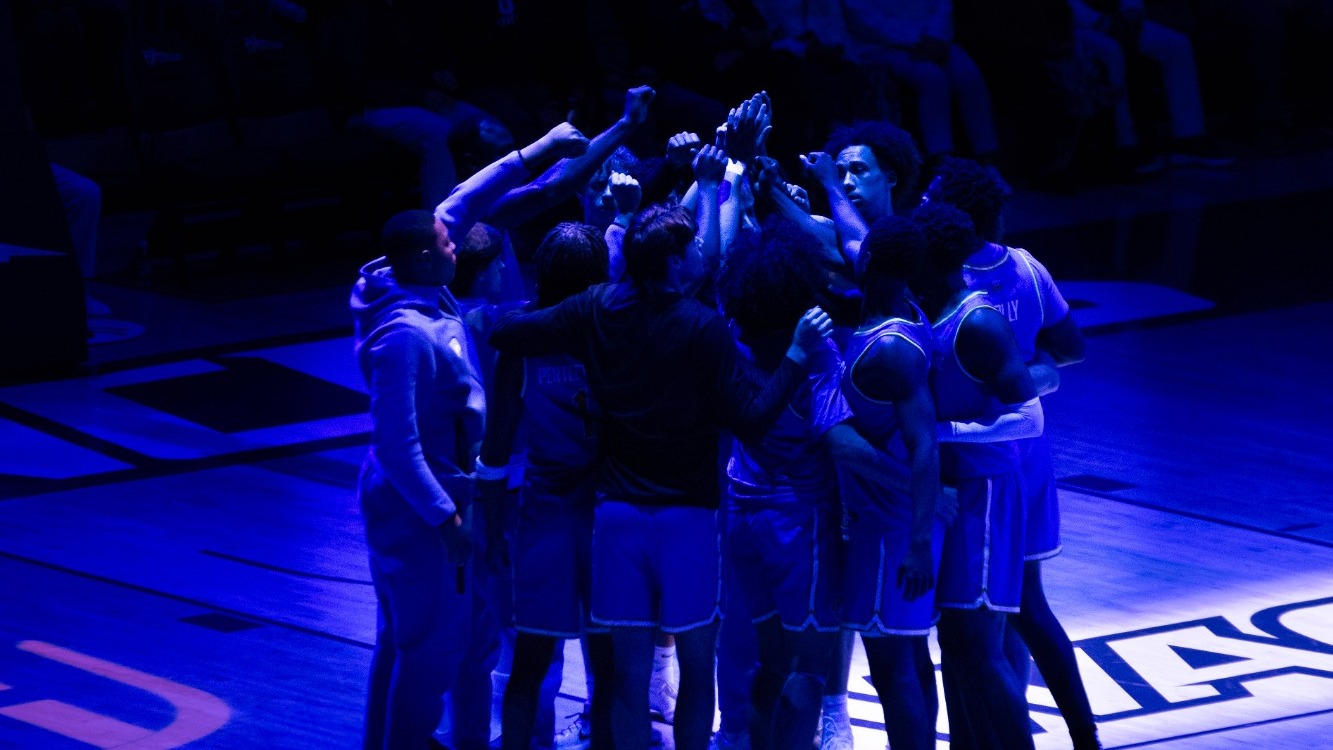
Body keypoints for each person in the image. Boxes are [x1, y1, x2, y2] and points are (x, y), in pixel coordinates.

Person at [489, 198, 834, 750]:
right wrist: (796, 356)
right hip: (687, 519)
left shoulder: (596, 307)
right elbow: (750, 421)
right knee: (697, 669)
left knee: (626, 675)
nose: (701, 252)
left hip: (616, 518)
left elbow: (509, 334)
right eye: (693, 246)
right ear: (674, 262)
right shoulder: (703, 329)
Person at [351, 122, 589, 750]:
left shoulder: (405, 273)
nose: (457, 240)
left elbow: (462, 199)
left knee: (431, 644)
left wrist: (538, 150)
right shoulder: (404, 335)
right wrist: (446, 521)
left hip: (446, 504)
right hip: (428, 510)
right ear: (426, 258)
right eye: (445, 242)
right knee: (427, 650)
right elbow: (395, 446)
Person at [922, 156, 1096, 748]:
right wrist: (1035, 375)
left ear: (953, 214)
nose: (922, 206)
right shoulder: (1025, 267)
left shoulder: (946, 279)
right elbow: (1069, 349)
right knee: (1020, 604)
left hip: (982, 459)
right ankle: (1061, 733)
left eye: (931, 198)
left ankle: (1017, 735)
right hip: (1030, 454)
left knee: (987, 621)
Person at [476, 222, 613, 750]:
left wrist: (492, 532)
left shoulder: (522, 342)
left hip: (545, 521)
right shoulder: (616, 335)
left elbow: (494, 454)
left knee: (529, 663)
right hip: (604, 517)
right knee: (608, 666)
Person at [910, 200, 1041, 750]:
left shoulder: (979, 322)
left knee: (978, 644)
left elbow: (1029, 417)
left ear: (933, 261)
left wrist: (943, 433)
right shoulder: (929, 308)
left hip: (985, 489)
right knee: (957, 642)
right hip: (952, 490)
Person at [836, 216, 944, 750]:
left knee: (892, 669)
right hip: (892, 521)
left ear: (872, 263)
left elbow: (925, 446)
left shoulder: (889, 348)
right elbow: (849, 235)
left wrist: (920, 544)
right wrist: (826, 183)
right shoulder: (905, 309)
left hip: (892, 530)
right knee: (911, 657)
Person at [1067, 0, 1234, 172]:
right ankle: (1125, 144)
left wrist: (1132, 14)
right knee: (1112, 51)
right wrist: (1099, 22)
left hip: (1116, 20)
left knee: (1177, 45)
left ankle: (1188, 137)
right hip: (1075, 24)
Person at [836, 0, 1002, 166]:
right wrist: (914, 39)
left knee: (968, 75)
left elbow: (943, 5)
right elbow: (862, 15)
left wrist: (935, 36)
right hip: (879, 46)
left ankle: (990, 163)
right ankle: (942, 163)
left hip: (936, 41)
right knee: (932, 78)